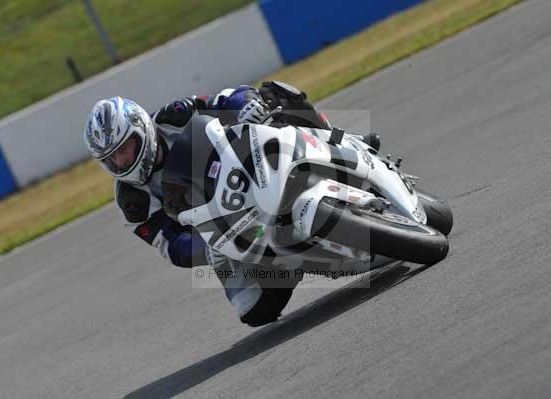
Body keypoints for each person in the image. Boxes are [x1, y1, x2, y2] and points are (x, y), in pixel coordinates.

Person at [83, 83, 382, 327]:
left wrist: (248, 104)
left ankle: (342, 144)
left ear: (141, 129)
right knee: (252, 310)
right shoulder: (131, 200)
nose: (122, 161)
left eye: (126, 148)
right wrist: (206, 246)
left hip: (248, 167)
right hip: (225, 227)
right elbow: (171, 245)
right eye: (114, 158)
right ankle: (296, 262)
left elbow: (225, 97)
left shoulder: (173, 116)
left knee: (277, 97)